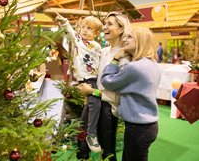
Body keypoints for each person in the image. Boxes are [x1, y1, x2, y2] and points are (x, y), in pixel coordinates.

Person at [76, 11, 131, 160]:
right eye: (104, 24)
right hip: (93, 102)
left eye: (110, 24)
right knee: (81, 139)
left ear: (121, 29)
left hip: (108, 108)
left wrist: (93, 92)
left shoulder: (124, 56)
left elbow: (119, 93)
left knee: (108, 151)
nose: (105, 27)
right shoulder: (103, 51)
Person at [101, 27, 161, 161]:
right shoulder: (152, 63)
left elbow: (107, 81)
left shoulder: (135, 67)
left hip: (137, 128)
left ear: (140, 41)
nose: (124, 39)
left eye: (129, 37)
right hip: (148, 126)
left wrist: (115, 59)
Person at [55, 13, 102, 153]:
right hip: (85, 79)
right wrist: (64, 22)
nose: (85, 30)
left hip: (96, 78)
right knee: (95, 104)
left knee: (87, 112)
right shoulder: (78, 41)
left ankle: (82, 147)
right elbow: (70, 31)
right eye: (83, 27)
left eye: (89, 28)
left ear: (96, 33)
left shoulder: (97, 46)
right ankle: (91, 134)